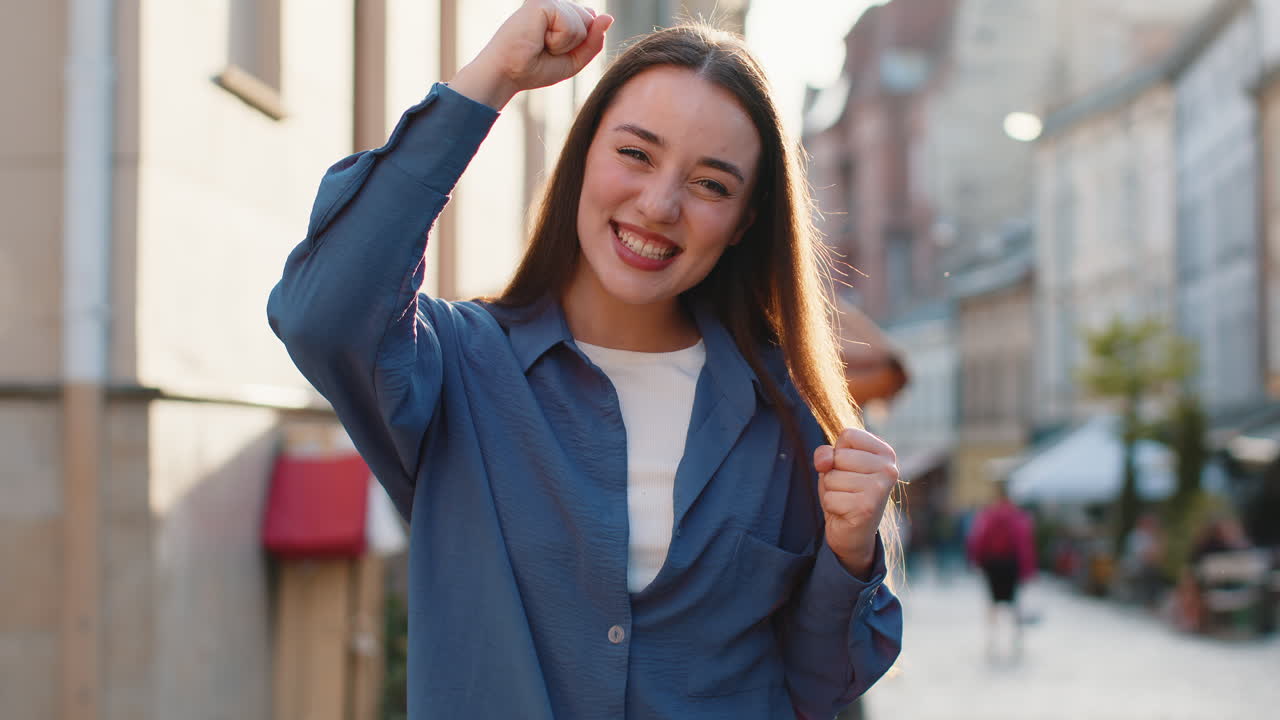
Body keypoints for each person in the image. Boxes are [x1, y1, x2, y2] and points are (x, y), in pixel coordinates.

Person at [267, 2, 903, 718]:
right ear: (583, 154)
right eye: (635, 153)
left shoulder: (786, 416)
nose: (659, 204)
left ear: (743, 224)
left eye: (711, 185)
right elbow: (321, 313)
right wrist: (491, 79)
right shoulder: (456, 369)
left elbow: (819, 683)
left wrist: (849, 553)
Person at [966, 482, 1036, 659]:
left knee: (992, 604)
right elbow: (1023, 543)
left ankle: (992, 639)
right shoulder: (1017, 515)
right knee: (1015, 603)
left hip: (993, 564)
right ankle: (1016, 639)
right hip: (1011, 564)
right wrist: (1027, 569)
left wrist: (977, 561)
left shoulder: (989, 515)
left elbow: (979, 539)